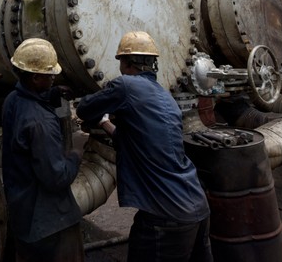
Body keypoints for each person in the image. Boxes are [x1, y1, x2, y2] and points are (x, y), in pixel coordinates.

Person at [76, 31, 213, 262]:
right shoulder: (165, 97)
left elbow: (83, 109)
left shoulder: (125, 86)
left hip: (165, 215)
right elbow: (137, 142)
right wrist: (106, 123)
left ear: (126, 62)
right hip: (197, 206)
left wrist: (99, 107)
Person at [1, 38, 87, 262]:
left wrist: (52, 93)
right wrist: (76, 153)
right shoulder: (40, 123)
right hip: (50, 223)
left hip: (22, 213)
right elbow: (57, 178)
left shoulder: (11, 100)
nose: (54, 77)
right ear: (35, 78)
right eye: (49, 75)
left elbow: (29, 102)